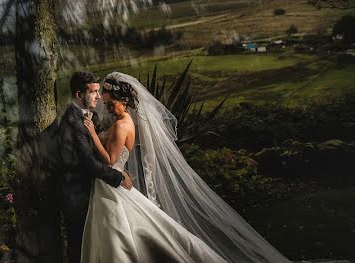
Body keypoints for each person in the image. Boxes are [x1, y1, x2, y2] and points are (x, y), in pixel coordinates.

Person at [80, 72, 291, 263]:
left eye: (110, 103)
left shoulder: (120, 125)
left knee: (120, 231)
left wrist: (91, 134)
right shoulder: (126, 121)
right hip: (113, 181)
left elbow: (109, 160)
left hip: (112, 183)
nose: (107, 108)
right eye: (106, 104)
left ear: (124, 101)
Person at [53, 71, 132, 263]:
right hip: (76, 195)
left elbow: (100, 152)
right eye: (94, 92)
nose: (98, 96)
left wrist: (119, 168)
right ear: (79, 95)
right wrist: (117, 177)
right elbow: (88, 161)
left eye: (98, 91)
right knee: (79, 247)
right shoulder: (72, 122)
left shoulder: (91, 116)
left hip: (92, 190)